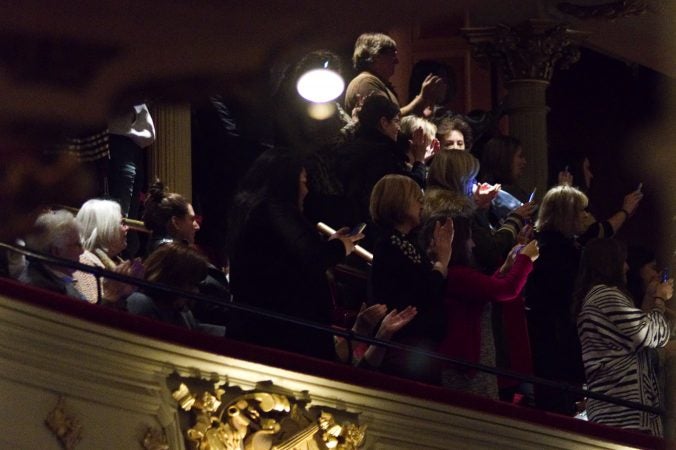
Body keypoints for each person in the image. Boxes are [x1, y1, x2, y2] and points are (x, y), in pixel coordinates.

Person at [227, 148, 363, 359]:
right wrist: (340, 247)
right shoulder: (275, 209)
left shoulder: (253, 208)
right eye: (303, 182)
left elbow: (290, 256)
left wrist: (331, 244)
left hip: (264, 325)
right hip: (283, 333)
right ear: (286, 182)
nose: (306, 190)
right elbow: (311, 257)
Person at [426, 214, 538, 399]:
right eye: (469, 238)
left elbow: (485, 292)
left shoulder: (455, 275)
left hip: (466, 362)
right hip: (466, 367)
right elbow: (506, 290)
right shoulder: (459, 275)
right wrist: (525, 258)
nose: (473, 245)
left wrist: (505, 269)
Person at [574, 238, 672, 436]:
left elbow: (632, 337)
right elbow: (653, 335)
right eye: (623, 261)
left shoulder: (598, 297)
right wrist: (661, 299)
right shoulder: (605, 296)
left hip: (618, 412)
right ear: (610, 263)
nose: (627, 267)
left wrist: (650, 296)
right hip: (623, 413)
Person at [368, 174, 453, 382]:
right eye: (417, 198)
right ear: (398, 201)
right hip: (407, 346)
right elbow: (419, 294)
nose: (422, 204)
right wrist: (441, 264)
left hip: (417, 344)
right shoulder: (390, 243)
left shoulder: (404, 242)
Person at [331, 95, 427, 244]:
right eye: (396, 121)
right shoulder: (383, 154)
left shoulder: (350, 148)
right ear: (383, 122)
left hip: (354, 225)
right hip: (379, 233)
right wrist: (420, 160)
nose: (399, 128)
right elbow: (410, 189)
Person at [126, 242, 225, 336]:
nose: (196, 291)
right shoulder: (140, 304)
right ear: (172, 279)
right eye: (191, 284)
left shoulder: (180, 311)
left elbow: (197, 330)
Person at [344, 33, 443, 117]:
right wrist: (421, 98)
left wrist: (422, 112)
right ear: (376, 56)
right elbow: (386, 120)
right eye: (392, 55)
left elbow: (394, 122)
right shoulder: (365, 82)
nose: (397, 61)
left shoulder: (375, 82)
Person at [72, 199, 144, 306]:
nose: (127, 228)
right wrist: (114, 293)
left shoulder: (120, 264)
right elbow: (92, 310)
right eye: (121, 223)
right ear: (105, 228)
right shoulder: (84, 262)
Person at [19, 209, 85, 300]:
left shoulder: (57, 277)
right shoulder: (40, 290)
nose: (82, 251)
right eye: (77, 245)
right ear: (56, 251)